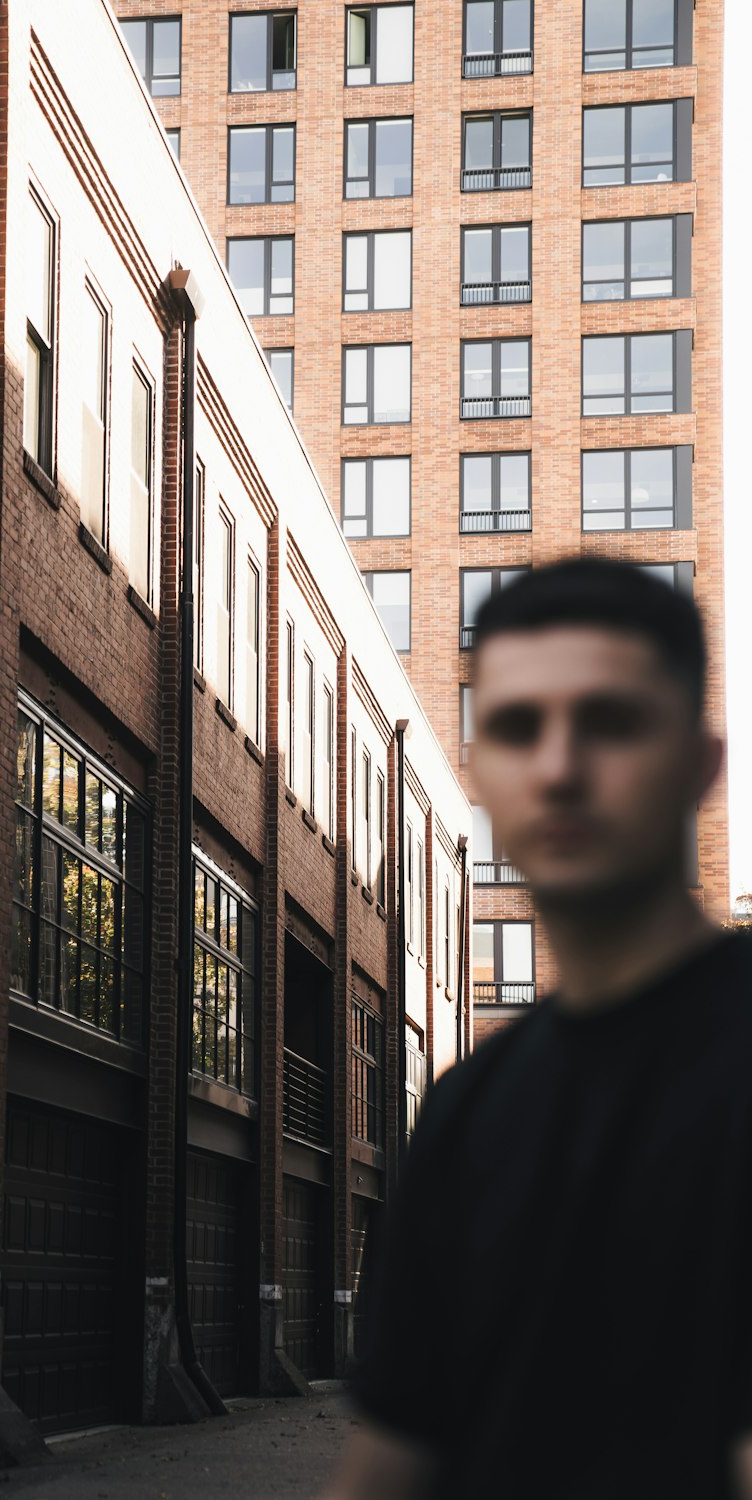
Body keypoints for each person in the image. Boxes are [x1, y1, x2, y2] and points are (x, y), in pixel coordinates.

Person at [322, 559, 752, 1500]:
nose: (559, 769)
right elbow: (393, 1452)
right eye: (519, 728)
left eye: (611, 722)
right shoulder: (467, 1108)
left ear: (701, 765)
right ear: (478, 772)